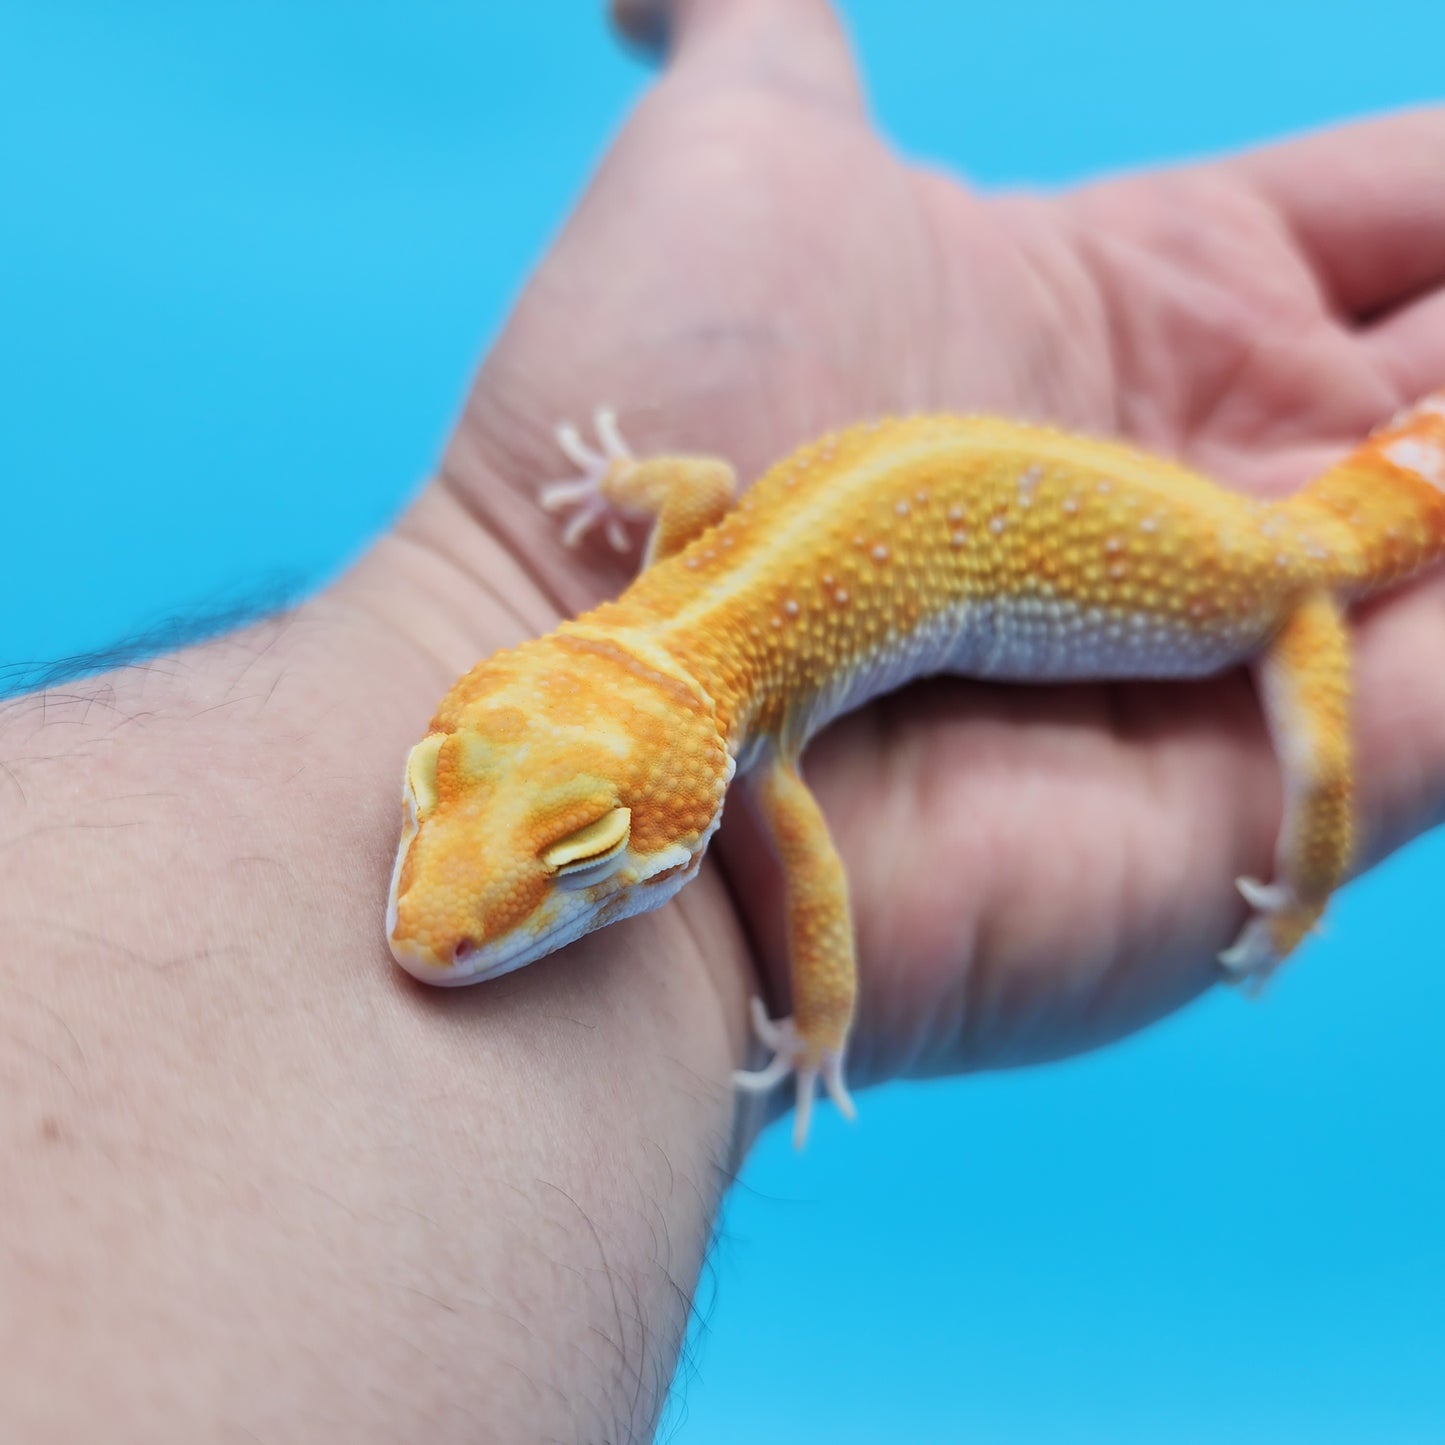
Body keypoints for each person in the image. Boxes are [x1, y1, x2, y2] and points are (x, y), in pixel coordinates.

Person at [5, 0, 1443, 1436]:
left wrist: (821, 1020)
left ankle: (1303, 895)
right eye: (444, 786)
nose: (432, 923)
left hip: (1274, 576)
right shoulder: (696, 613)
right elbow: (696, 511)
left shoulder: (753, 680)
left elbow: (802, 856)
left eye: (572, 860)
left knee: (1323, 752)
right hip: (1071, 501)